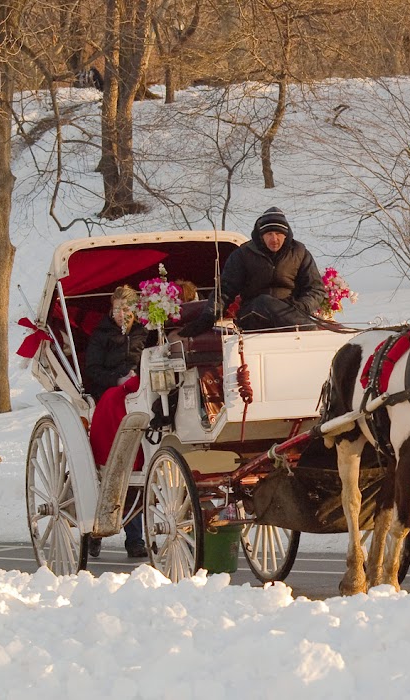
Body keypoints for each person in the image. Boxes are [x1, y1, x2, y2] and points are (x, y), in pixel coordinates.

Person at [180, 207, 324, 335]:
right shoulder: (243, 254)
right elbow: (225, 290)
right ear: (261, 236)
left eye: (278, 234)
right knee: (264, 301)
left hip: (291, 313)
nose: (274, 239)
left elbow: (315, 289)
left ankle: (303, 327)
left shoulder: (300, 253)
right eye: (269, 234)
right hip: (253, 314)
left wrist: (302, 306)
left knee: (277, 307)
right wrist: (208, 317)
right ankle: (308, 329)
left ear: (285, 235)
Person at [85, 285, 150, 559]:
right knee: (123, 458)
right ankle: (102, 528)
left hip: (141, 392)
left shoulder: (144, 334)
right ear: (111, 310)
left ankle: (136, 537)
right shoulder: (101, 337)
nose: (124, 315)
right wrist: (117, 380)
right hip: (110, 396)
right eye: (118, 309)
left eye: (128, 309)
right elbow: (93, 371)